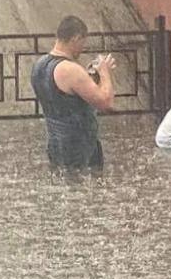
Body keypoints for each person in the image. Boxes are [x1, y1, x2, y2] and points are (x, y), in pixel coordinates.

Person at [30, 16, 116, 169]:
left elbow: (63, 97)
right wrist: (104, 72)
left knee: (62, 186)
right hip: (80, 148)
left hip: (55, 144)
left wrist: (91, 78)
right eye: (82, 42)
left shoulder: (39, 65)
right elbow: (106, 103)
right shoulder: (70, 69)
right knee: (85, 189)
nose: (83, 48)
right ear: (76, 38)